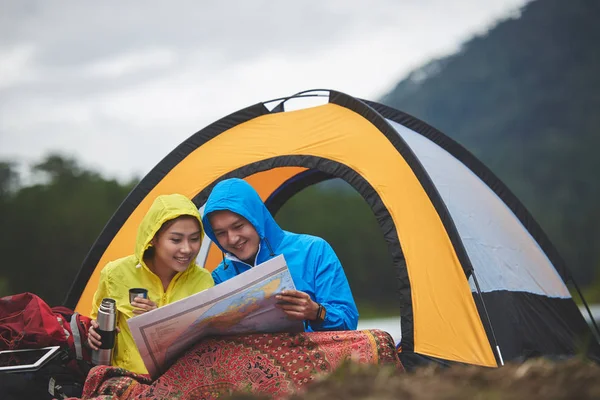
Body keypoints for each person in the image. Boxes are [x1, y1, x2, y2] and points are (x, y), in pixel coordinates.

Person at [202, 178, 358, 331]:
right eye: (221, 233)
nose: (232, 239)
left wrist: (316, 312)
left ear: (256, 218)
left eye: (238, 226)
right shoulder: (220, 276)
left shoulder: (314, 250)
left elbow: (349, 320)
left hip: (314, 354)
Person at [87, 193, 214, 374]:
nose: (187, 249)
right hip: (125, 379)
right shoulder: (115, 274)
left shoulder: (203, 280)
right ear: (153, 238)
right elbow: (95, 319)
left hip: (182, 380)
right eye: (176, 240)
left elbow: (206, 342)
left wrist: (161, 322)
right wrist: (92, 333)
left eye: (194, 239)